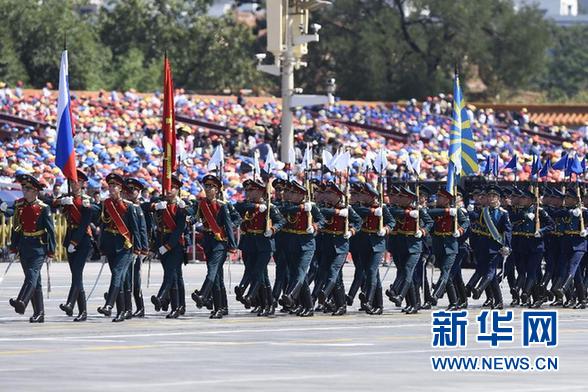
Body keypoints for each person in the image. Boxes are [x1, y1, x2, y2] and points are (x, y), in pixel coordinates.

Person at [8, 174, 56, 323]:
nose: (24, 190)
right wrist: (13, 248)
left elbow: (51, 230)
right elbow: (16, 228)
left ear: (35, 191)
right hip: (24, 245)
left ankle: (22, 301)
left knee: (31, 275)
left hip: (38, 246)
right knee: (35, 281)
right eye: (23, 187)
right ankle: (39, 313)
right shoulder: (19, 205)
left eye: (28, 188)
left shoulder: (43, 208)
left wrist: (51, 251)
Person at [234, 178, 285, 316]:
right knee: (261, 276)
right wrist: (256, 207)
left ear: (260, 191)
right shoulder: (245, 205)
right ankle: (266, 304)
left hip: (265, 245)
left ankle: (252, 297)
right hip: (249, 243)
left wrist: (273, 229)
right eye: (247, 190)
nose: (248, 192)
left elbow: (281, 221)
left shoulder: (270, 207)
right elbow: (235, 208)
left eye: (251, 190)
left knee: (257, 272)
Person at [190, 174, 238, 319]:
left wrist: (232, 244)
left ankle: (204, 295)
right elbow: (195, 217)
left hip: (220, 242)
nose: (208, 189)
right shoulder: (201, 204)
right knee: (217, 276)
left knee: (212, 269)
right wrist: (189, 218)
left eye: (211, 186)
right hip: (208, 241)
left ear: (217, 190)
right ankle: (222, 306)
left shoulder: (223, 205)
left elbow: (232, 223)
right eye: (207, 186)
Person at [55, 169, 99, 322]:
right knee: (76, 275)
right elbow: (50, 203)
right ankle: (82, 311)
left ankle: (70, 303)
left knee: (77, 272)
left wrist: (75, 242)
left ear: (82, 183)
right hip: (70, 237)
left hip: (83, 240)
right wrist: (61, 201)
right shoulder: (67, 198)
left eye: (77, 182)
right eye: (72, 181)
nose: (74, 184)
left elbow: (86, 222)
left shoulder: (86, 200)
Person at [97, 173, 141, 322]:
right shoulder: (106, 204)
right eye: (110, 185)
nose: (111, 188)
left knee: (117, 273)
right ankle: (121, 312)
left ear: (121, 188)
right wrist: (102, 248)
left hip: (124, 246)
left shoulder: (129, 206)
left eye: (114, 186)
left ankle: (109, 305)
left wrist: (138, 249)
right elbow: (102, 226)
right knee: (120, 279)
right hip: (110, 245)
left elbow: (135, 229)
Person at [151, 176, 188, 318]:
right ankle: (178, 306)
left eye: (172, 187)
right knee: (174, 275)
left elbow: (179, 229)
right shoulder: (160, 203)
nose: (169, 190)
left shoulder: (181, 206)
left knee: (170, 274)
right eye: (167, 186)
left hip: (175, 244)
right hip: (162, 242)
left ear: (177, 190)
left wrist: (168, 246)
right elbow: (145, 207)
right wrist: (155, 207)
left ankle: (162, 299)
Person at [122, 178, 150, 318]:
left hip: (136, 248)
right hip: (125, 247)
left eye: (133, 190)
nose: (130, 193)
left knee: (135, 279)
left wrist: (143, 249)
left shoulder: (139, 208)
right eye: (128, 190)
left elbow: (142, 230)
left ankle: (140, 307)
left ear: (138, 192)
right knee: (126, 278)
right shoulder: (125, 207)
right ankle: (127, 307)